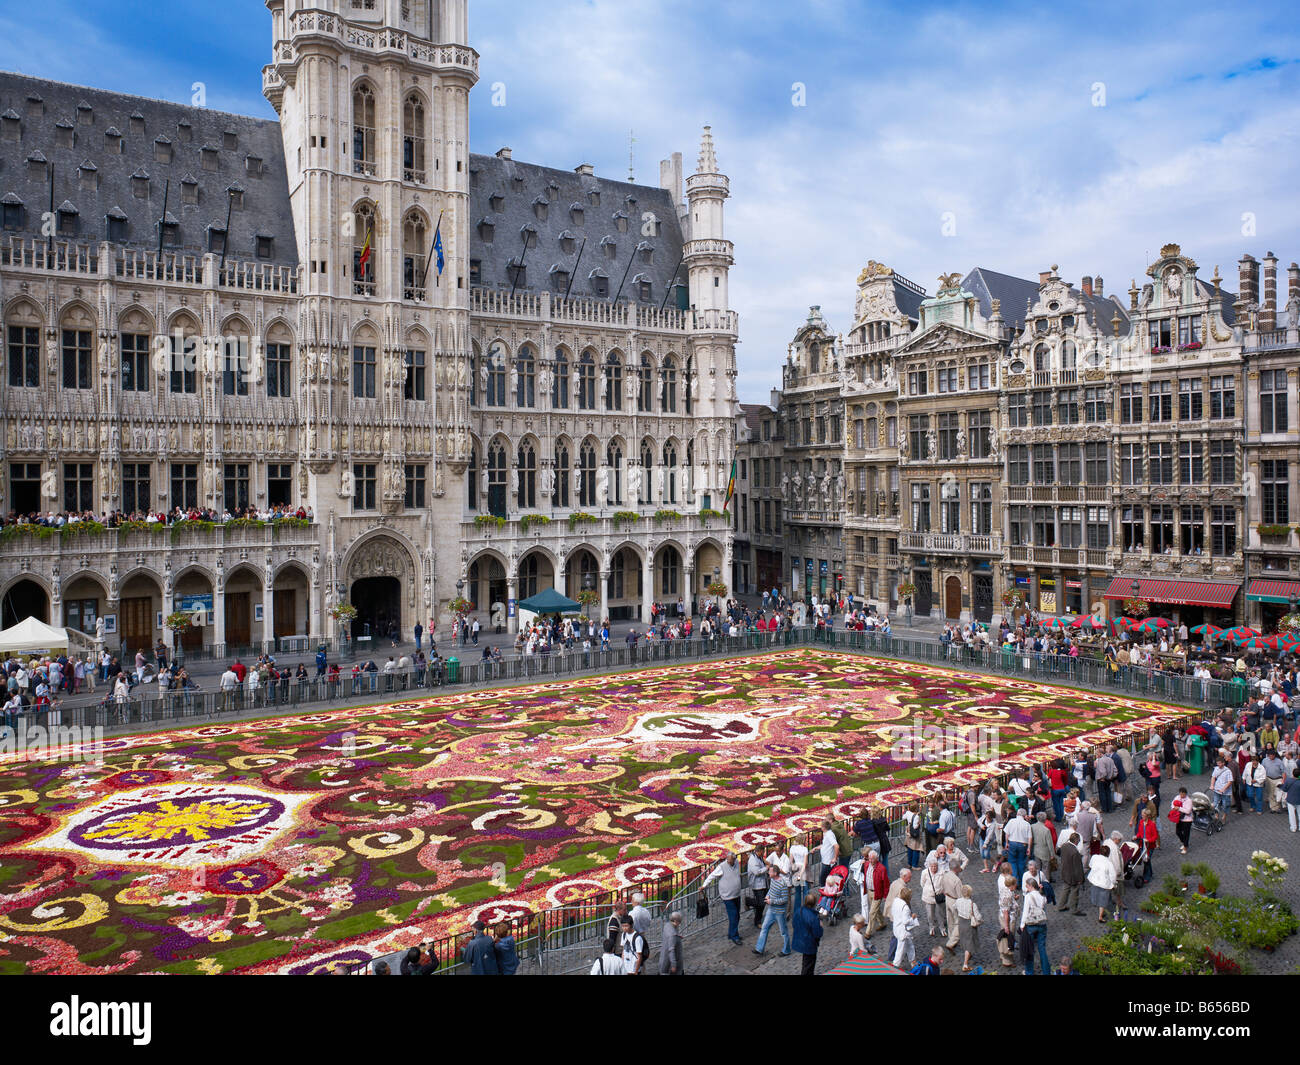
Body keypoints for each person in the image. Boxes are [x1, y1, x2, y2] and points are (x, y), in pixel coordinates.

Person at [702, 851, 743, 945]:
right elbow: (712, 876)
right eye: (728, 860)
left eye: (731, 861)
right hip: (727, 896)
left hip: (736, 894)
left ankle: (731, 933)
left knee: (737, 915)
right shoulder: (722, 867)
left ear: (734, 859)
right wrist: (704, 885)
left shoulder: (736, 863)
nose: (730, 862)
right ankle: (734, 936)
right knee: (734, 916)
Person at [753, 861, 792, 957]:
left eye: (770, 872)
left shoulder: (783, 884)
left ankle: (786, 950)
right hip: (771, 910)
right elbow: (771, 889)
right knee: (764, 928)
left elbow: (785, 899)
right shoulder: (773, 880)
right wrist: (767, 896)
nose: (768, 873)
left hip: (779, 912)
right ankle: (759, 948)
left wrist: (772, 901)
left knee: (783, 931)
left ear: (775, 873)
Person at [1019, 877, 1050, 975]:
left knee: (1029, 949)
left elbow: (1025, 911)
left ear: (1031, 886)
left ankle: (1029, 971)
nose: (1026, 888)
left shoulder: (1028, 896)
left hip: (1031, 925)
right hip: (1041, 924)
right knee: (1042, 948)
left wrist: (1022, 924)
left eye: (1027, 886)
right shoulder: (1042, 895)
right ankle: (1046, 971)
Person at [792, 890, 824, 976]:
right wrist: (820, 926)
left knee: (806, 962)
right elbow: (818, 933)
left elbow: (794, 924)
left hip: (801, 939)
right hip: (809, 944)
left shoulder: (799, 911)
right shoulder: (813, 917)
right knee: (808, 965)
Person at [953, 884, 981, 972]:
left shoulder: (958, 901)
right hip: (969, 924)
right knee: (969, 943)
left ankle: (968, 954)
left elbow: (954, 907)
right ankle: (965, 964)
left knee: (964, 939)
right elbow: (978, 916)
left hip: (961, 922)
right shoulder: (972, 904)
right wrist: (980, 920)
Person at [1056, 831, 1085, 915]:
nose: (1079, 842)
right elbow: (1078, 868)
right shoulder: (1075, 852)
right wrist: (1080, 879)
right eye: (1078, 840)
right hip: (1072, 875)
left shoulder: (1064, 846)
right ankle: (1074, 909)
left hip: (1065, 872)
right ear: (1076, 841)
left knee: (1066, 889)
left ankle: (1061, 905)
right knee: (1074, 892)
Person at [890, 885, 919, 969]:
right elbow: (906, 921)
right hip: (903, 931)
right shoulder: (905, 907)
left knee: (910, 945)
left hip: (896, 927)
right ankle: (895, 966)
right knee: (900, 950)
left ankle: (913, 961)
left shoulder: (896, 901)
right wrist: (912, 917)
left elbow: (893, 912)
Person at [1087, 847, 1116, 923]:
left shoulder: (1094, 857)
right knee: (1103, 900)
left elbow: (1090, 865)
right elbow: (1113, 875)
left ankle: (1099, 909)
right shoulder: (1109, 863)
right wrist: (1113, 884)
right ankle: (1100, 916)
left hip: (1094, 880)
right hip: (1104, 883)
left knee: (1096, 895)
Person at [1170, 786, 1194, 854]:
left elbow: (1188, 811)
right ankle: (1184, 843)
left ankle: (1185, 847)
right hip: (1179, 818)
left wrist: (1179, 808)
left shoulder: (1189, 800)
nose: (1181, 795)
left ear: (1185, 794)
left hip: (1187, 820)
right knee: (1178, 832)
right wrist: (1174, 808)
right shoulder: (1177, 797)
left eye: (1183, 794)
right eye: (1180, 794)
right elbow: (1172, 804)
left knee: (1186, 834)